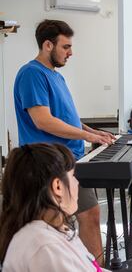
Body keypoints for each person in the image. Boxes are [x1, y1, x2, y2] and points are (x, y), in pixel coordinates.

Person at [13, 19, 114, 265]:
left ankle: (94, 268)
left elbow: (68, 118)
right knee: (57, 225)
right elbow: (43, 121)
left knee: (89, 214)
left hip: (71, 159)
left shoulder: (56, 77)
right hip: (49, 163)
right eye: (66, 47)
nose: (71, 52)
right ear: (48, 45)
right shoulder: (32, 73)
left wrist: (94, 132)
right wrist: (88, 136)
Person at [0, 143, 109, 271]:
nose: (77, 182)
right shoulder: (44, 247)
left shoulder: (53, 232)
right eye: (73, 176)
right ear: (57, 186)